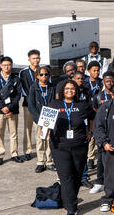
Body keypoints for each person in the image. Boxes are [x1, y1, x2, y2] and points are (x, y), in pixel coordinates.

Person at [47, 80, 96, 215]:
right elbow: (45, 122)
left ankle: (68, 200)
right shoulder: (54, 104)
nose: (70, 91)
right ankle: (71, 208)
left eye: (72, 88)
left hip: (79, 145)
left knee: (77, 175)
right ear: (62, 90)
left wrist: (90, 131)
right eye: (67, 88)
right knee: (66, 176)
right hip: (59, 146)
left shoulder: (83, 105)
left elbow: (92, 117)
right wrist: (43, 130)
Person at [0, 56, 24, 165]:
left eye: (9, 65)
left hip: (13, 110)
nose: (7, 67)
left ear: (11, 65)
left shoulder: (16, 79)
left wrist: (9, 108)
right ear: (1, 66)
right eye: (4, 65)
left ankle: (14, 153)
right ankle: (0, 155)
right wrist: (3, 107)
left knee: (13, 133)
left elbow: (18, 95)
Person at [27, 65, 54, 172]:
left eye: (46, 74)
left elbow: (54, 102)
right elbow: (31, 105)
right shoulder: (34, 87)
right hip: (39, 118)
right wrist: (38, 119)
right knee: (40, 140)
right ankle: (40, 161)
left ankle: (49, 161)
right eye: (41, 74)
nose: (44, 76)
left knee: (49, 139)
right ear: (37, 76)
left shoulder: (52, 87)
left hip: (50, 117)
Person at [18, 49, 42, 163]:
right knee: (27, 128)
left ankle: (40, 151)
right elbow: (21, 87)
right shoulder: (23, 72)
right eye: (33, 58)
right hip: (28, 104)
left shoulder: (43, 71)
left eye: (37, 58)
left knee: (39, 129)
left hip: (40, 106)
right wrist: (30, 97)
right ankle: (27, 151)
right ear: (29, 59)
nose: (36, 60)